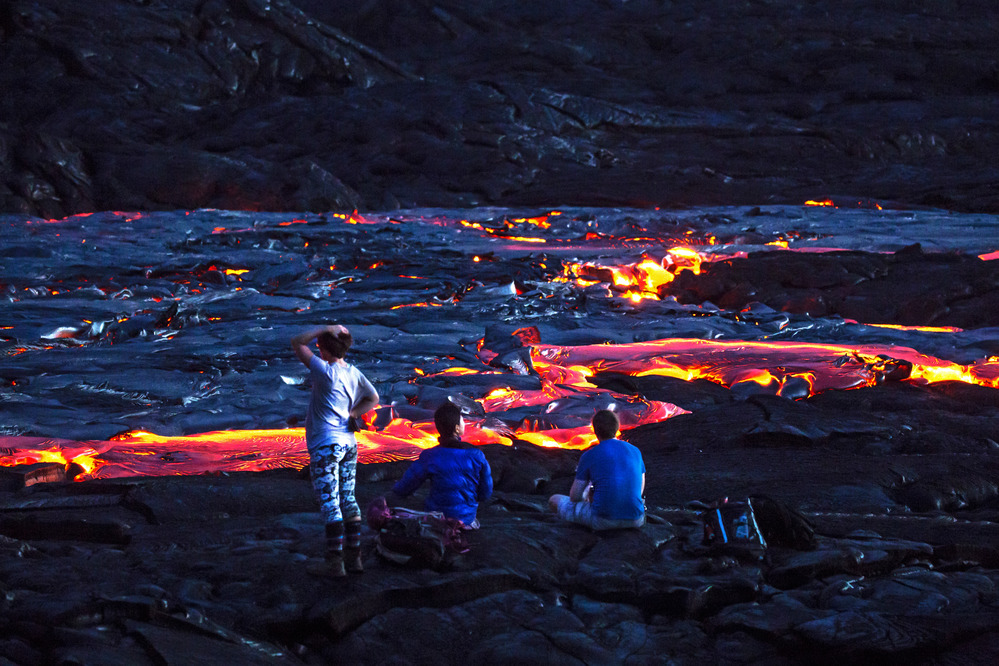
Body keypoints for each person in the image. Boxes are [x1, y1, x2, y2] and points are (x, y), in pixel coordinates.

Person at [291, 324, 379, 577]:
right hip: (349, 444)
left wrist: (322, 328)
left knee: (330, 502)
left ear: (324, 347)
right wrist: (352, 413)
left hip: (325, 445)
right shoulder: (353, 373)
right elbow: (373, 398)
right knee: (348, 498)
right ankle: (355, 559)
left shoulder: (325, 371)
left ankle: (335, 562)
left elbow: (297, 341)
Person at [391, 402, 493, 528]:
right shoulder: (476, 455)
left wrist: (396, 492)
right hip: (466, 519)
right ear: (456, 428)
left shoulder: (430, 456)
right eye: (462, 420)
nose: (464, 423)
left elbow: (408, 484)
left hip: (437, 519)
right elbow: (486, 492)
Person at [547, 409, 646, 531]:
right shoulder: (635, 450)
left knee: (554, 500)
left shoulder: (590, 455)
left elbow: (574, 497)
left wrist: (588, 496)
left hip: (603, 520)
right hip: (637, 519)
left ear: (595, 431)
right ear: (617, 428)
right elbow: (640, 489)